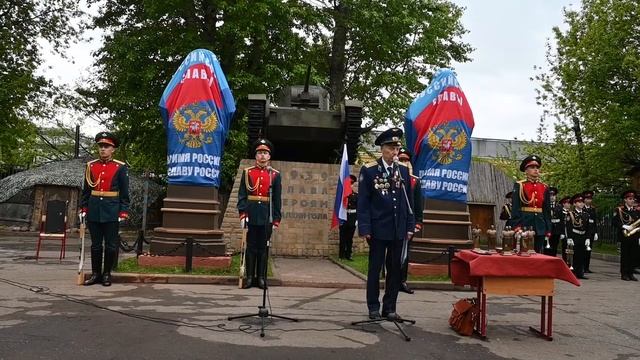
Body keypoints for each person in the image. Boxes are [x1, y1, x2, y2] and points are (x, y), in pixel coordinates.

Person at [358, 127, 415, 320]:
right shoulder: (370, 170)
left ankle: (389, 307)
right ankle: (373, 306)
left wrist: (410, 226)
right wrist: (365, 227)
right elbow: (364, 202)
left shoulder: (404, 171)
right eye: (391, 148)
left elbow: (409, 201)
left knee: (395, 270)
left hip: (398, 228)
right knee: (375, 269)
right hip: (378, 228)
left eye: (397, 148)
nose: (394, 152)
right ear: (382, 149)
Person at [80, 132, 130, 286]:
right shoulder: (91, 166)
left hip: (112, 210)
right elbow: (86, 190)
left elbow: (124, 192)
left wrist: (123, 210)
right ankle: (96, 274)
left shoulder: (120, 167)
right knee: (95, 245)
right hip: (94, 209)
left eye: (106, 146)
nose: (103, 149)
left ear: (113, 149)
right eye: (101, 146)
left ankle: (107, 274)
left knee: (110, 245)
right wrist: (84, 208)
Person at [237, 139, 282, 289]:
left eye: (265, 153)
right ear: (256, 156)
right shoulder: (247, 172)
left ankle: (261, 277)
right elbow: (242, 194)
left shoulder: (275, 175)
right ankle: (250, 277)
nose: (262, 156)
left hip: (266, 215)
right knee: (251, 247)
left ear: (269, 156)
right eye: (260, 153)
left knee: (263, 248)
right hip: (251, 213)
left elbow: (276, 199)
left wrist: (276, 219)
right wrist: (242, 214)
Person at [510, 155, 552, 253]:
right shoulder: (520, 185)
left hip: (540, 224)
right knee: (524, 252)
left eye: (537, 168)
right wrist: (517, 226)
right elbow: (516, 207)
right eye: (532, 167)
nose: (536, 170)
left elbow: (546, 209)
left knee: (537, 252)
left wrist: (548, 228)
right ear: (526, 170)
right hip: (525, 223)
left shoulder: (544, 187)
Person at [397, 148, 423, 295]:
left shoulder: (414, 181)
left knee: (405, 254)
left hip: (408, 224)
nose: (403, 162)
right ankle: (391, 280)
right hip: (393, 223)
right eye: (400, 159)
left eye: (406, 160)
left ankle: (402, 281)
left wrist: (418, 223)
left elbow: (419, 205)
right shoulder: (392, 177)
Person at [613, 190, 639, 281]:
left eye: (633, 199)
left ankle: (631, 273)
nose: (632, 201)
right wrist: (623, 226)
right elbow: (614, 222)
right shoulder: (620, 210)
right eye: (630, 199)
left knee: (633, 255)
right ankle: (624, 274)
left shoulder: (636, 211)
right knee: (625, 256)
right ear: (625, 200)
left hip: (634, 236)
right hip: (624, 236)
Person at [566, 193, 590, 279]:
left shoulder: (586, 214)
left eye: (582, 202)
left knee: (582, 255)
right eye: (579, 202)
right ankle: (573, 273)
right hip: (574, 236)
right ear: (575, 204)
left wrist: (587, 238)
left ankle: (580, 273)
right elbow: (569, 226)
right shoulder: (571, 214)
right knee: (573, 255)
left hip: (582, 236)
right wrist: (569, 237)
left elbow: (588, 228)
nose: (581, 203)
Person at [339, 175, 358, 260]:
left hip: (352, 218)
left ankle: (348, 255)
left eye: (352, 183)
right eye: (349, 183)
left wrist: (357, 220)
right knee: (342, 237)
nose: (351, 184)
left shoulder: (356, 195)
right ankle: (341, 255)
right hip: (344, 217)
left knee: (349, 238)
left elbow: (359, 208)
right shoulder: (343, 195)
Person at [543, 187, 562, 256]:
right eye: (550, 195)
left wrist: (562, 232)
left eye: (553, 195)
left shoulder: (559, 206)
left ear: (555, 196)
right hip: (547, 229)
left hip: (556, 229)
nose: (552, 197)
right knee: (546, 247)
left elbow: (562, 220)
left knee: (554, 247)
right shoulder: (544, 206)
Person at [583, 190, 598, 273]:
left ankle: (586, 267)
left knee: (589, 250)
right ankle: (581, 266)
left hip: (591, 231)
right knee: (583, 250)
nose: (589, 200)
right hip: (584, 231)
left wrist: (595, 232)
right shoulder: (582, 208)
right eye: (587, 199)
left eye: (590, 199)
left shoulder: (592, 209)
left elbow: (594, 221)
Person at [559, 196, 572, 263]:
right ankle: (564, 261)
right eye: (568, 203)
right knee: (565, 247)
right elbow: (560, 223)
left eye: (570, 203)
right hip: (564, 232)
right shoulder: (561, 212)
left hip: (570, 232)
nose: (569, 204)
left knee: (570, 248)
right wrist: (561, 232)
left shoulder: (571, 213)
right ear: (563, 204)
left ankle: (569, 261)